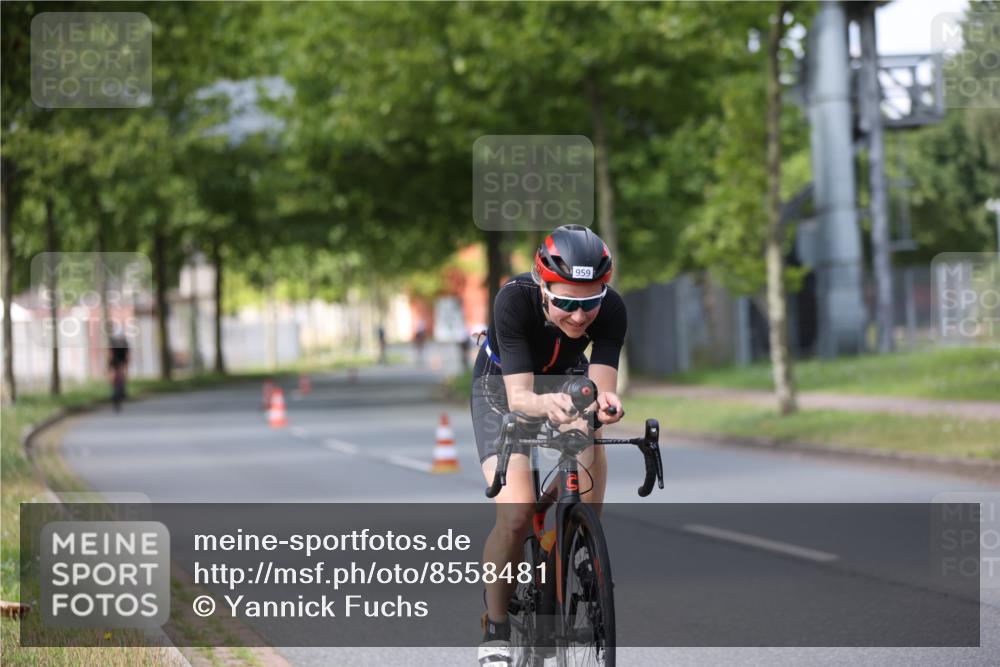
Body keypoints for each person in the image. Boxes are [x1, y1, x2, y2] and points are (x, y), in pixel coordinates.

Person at [472, 224, 626, 665]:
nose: (579, 317)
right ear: (543, 287)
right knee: (517, 512)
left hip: (563, 381)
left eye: (590, 302)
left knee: (589, 429)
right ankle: (496, 627)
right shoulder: (513, 300)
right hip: (502, 388)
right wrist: (546, 403)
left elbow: (600, 388)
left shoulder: (612, 309)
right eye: (566, 302)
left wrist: (606, 404)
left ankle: (579, 539)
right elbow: (520, 398)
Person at [108, 334, 130, 412]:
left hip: (117, 363)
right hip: (119, 363)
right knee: (120, 379)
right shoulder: (124, 343)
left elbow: (111, 354)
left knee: (116, 380)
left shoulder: (114, 343)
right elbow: (128, 356)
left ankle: (118, 393)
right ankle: (120, 393)